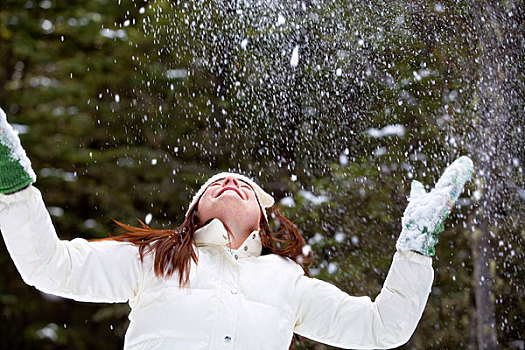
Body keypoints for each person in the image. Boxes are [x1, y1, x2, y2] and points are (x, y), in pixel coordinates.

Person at [0, 107, 473, 349]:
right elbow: (48, 265)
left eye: (242, 184)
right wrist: (13, 182)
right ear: (195, 214)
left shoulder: (288, 283)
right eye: (215, 184)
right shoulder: (158, 259)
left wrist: (415, 247)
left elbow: (381, 328)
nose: (229, 181)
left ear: (264, 220)